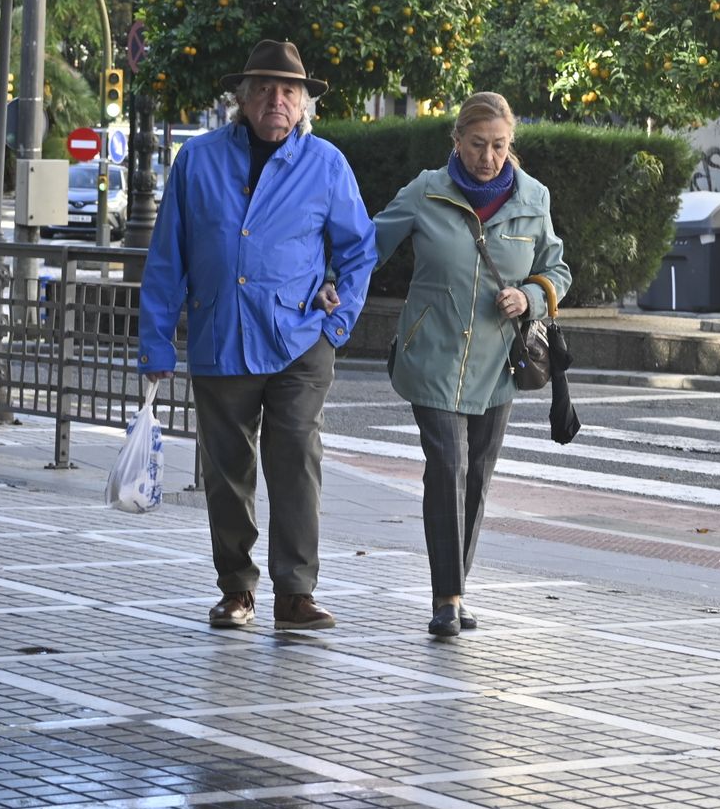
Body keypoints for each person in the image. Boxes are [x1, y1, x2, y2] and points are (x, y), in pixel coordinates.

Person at [138, 39, 377, 631]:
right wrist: (156, 342)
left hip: (300, 339)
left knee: (296, 459)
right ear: (242, 99)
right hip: (221, 333)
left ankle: (295, 591)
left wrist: (338, 321)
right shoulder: (196, 160)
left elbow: (358, 250)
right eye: (265, 89)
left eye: (289, 90)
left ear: (304, 102)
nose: (277, 99)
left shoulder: (326, 164)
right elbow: (167, 257)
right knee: (226, 471)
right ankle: (237, 588)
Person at [372, 93, 570, 637]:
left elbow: (557, 268)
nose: (488, 157)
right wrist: (328, 279)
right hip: (431, 354)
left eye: (499, 146)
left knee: (478, 475)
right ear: (456, 141)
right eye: (478, 144)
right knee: (448, 466)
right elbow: (370, 244)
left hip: (498, 363)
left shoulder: (533, 198)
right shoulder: (426, 191)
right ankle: (447, 597)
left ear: (511, 144)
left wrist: (530, 296)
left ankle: (457, 587)